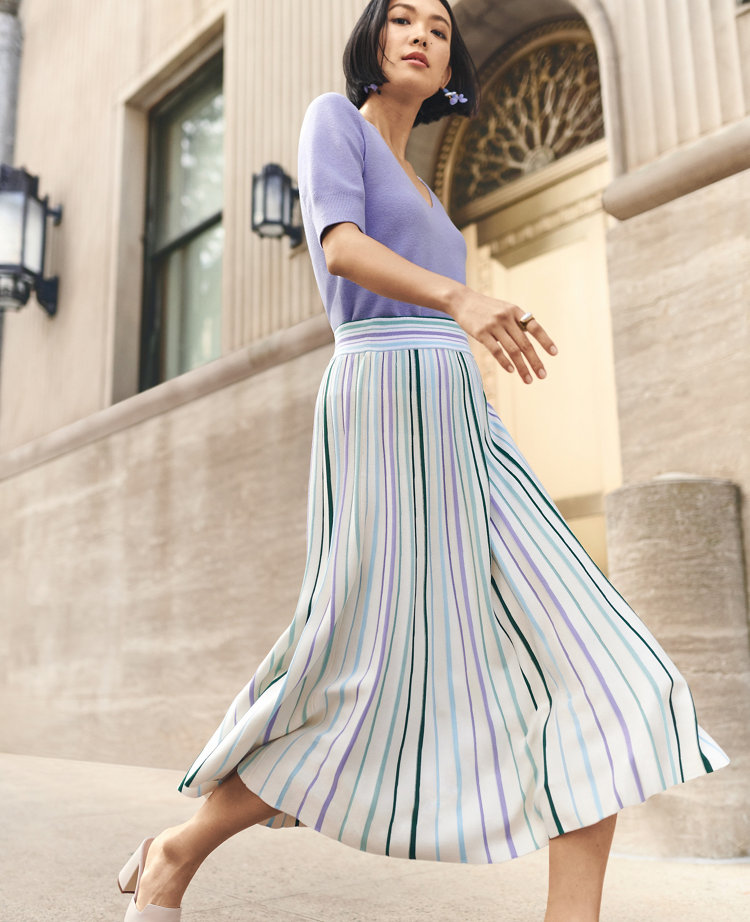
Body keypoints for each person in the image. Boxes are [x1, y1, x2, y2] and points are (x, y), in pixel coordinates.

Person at [116, 1, 731, 919]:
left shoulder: (425, 187)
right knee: (365, 676)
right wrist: (462, 298)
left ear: (449, 65)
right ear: (371, 41)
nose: (419, 33)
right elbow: (342, 247)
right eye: (400, 18)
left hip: (460, 427)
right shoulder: (337, 124)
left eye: (438, 29)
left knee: (611, 668)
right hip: (380, 412)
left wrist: (476, 371)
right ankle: (177, 851)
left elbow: (426, 288)